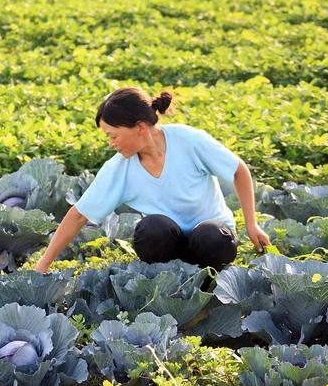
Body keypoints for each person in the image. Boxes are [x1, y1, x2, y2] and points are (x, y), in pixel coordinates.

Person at [34, 87, 270, 273]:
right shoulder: (119, 167)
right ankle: (170, 281)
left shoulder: (188, 140)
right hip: (169, 245)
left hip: (211, 241)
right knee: (151, 229)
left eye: (113, 135)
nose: (111, 143)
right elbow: (78, 214)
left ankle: (210, 282)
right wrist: (43, 264)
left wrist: (252, 224)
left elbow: (238, 170)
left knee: (210, 235)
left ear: (139, 127)